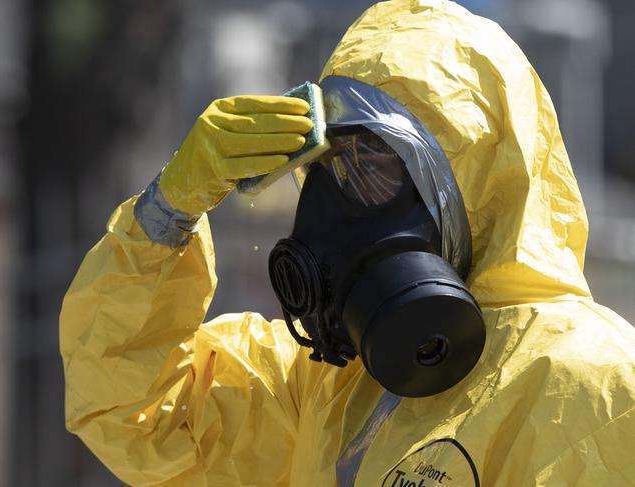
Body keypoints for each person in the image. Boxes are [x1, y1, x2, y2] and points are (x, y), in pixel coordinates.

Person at [60, 0, 635, 485]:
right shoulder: (323, 389)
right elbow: (133, 410)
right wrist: (170, 209)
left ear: (474, 182)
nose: (334, 204)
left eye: (373, 162)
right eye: (330, 164)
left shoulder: (590, 385)